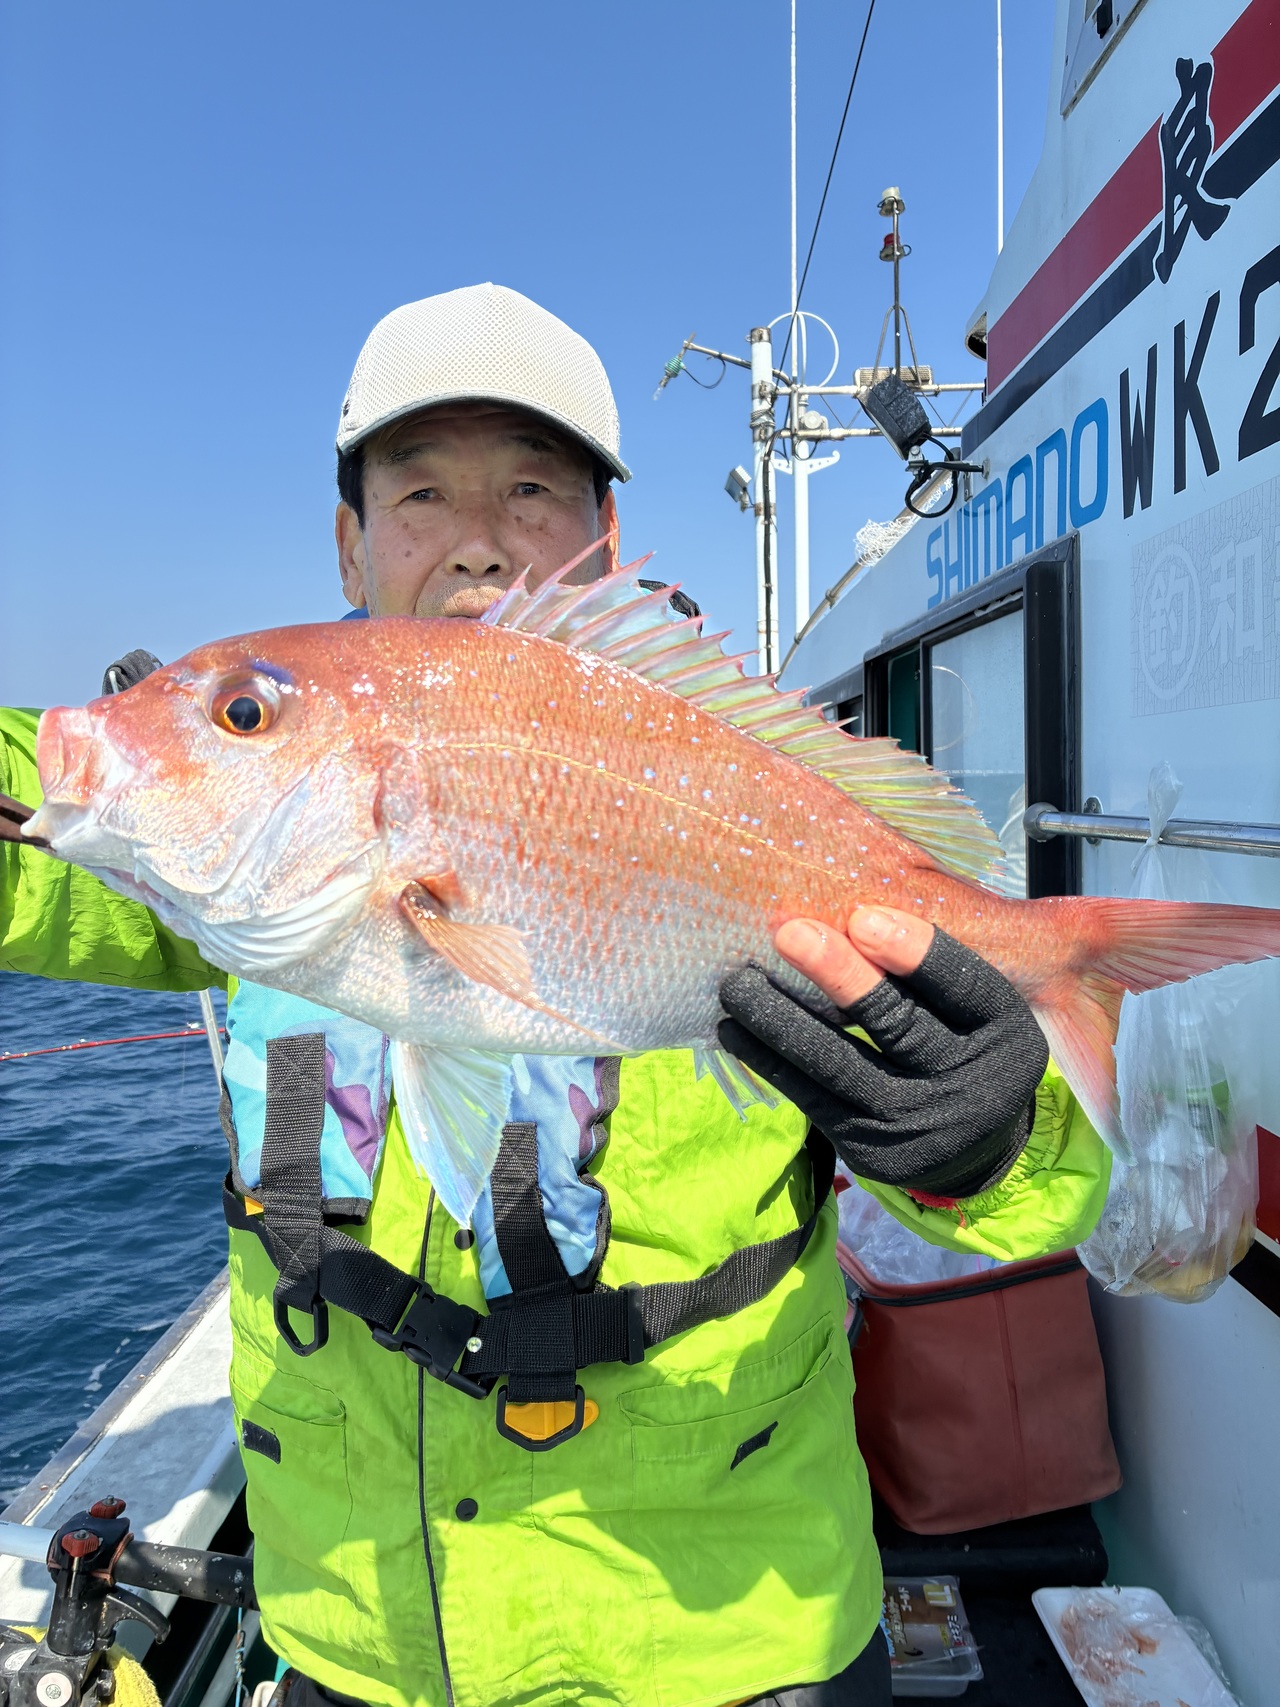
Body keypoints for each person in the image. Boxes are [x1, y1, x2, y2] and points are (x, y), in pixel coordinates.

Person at [0, 284, 1110, 1707]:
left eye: (530, 488)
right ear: (350, 541)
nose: (476, 536)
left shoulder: (714, 748)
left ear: (605, 537)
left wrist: (991, 1137)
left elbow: (1039, 1205)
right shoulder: (224, 858)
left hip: (729, 1643)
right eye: (419, 491)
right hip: (359, 1641)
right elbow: (61, 789)